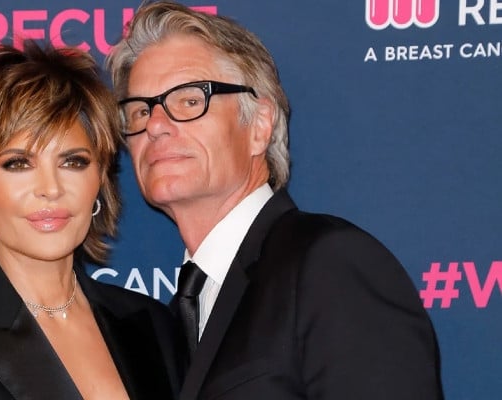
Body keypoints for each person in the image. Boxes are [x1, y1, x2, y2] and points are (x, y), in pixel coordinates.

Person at [106, 2, 443, 399]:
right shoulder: (170, 323)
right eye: (140, 110)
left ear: (260, 125)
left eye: (190, 100)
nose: (156, 126)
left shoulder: (328, 265)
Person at [0, 40, 182, 400]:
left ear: (101, 180)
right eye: (18, 164)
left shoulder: (154, 325)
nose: (51, 189)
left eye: (73, 162)